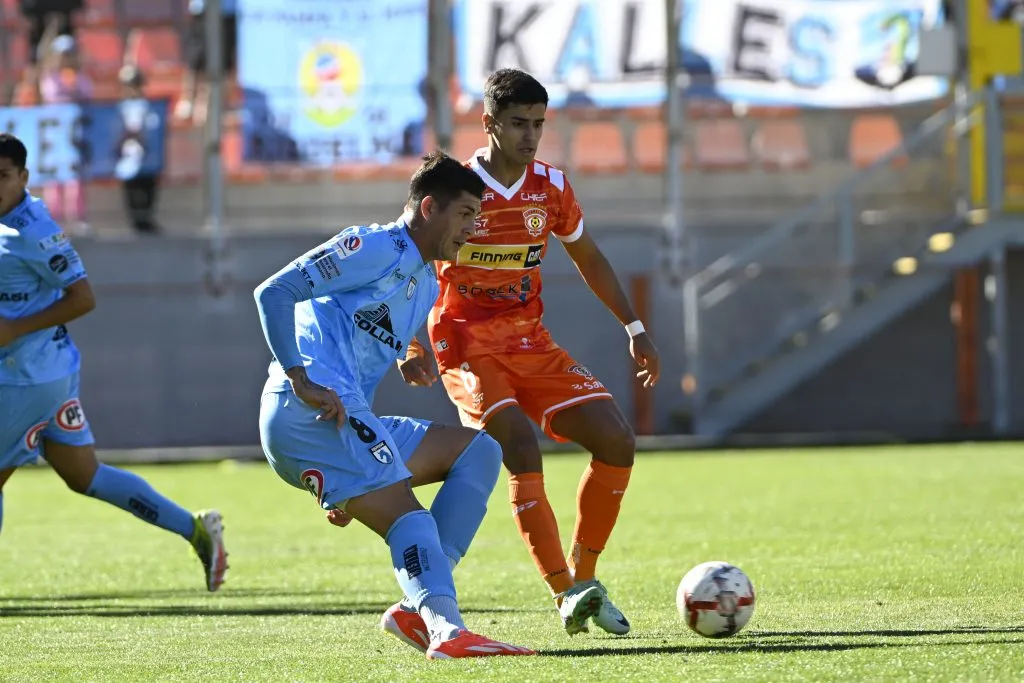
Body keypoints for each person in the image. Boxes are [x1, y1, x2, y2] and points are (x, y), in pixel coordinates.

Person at [398, 69, 662, 637]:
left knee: (616, 439)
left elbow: (589, 258)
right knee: (517, 441)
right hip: (466, 345)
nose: (530, 135)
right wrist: (412, 339)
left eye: (539, 124)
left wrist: (634, 326)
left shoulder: (552, 188)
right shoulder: (457, 188)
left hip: (530, 342)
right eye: (519, 123)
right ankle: (563, 588)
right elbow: (413, 263)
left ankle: (587, 579)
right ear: (490, 123)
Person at [254, 150, 534, 660]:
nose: (472, 230)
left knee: (478, 452)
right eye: (466, 215)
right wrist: (299, 377)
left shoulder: (426, 281)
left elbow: (360, 324)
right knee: (411, 517)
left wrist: (408, 352)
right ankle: (447, 632)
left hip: (338, 417)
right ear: (429, 208)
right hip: (306, 411)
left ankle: (418, 606)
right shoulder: (374, 246)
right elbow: (274, 292)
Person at [0, 133, 227, 591]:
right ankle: (196, 529)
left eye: (2, 177)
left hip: (28, 378)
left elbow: (83, 298)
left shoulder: (36, 232)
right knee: (85, 475)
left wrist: (13, 329)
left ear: (24, 177)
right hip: (48, 372)